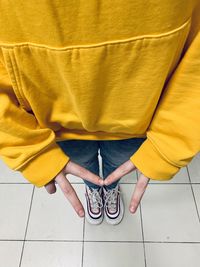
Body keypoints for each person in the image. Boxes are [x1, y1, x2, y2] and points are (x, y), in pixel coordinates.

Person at [0, 1, 199, 225]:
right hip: (60, 123)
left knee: (115, 167)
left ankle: (110, 187)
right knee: (86, 168)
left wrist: (172, 139)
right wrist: (26, 146)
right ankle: (95, 188)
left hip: (138, 121)